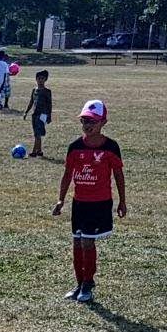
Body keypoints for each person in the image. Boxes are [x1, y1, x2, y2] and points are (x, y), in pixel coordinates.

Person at [52, 100, 127, 303]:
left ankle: (88, 283)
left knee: (87, 242)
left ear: (103, 122)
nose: (87, 124)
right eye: (84, 120)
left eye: (92, 120)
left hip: (99, 204)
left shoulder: (111, 147)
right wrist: (61, 200)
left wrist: (122, 201)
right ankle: (78, 284)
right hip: (80, 203)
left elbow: (119, 174)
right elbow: (67, 174)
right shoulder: (75, 147)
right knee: (77, 242)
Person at [22, 70, 52, 157]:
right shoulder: (34, 90)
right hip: (34, 114)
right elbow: (31, 102)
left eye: (42, 78)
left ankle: (34, 152)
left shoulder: (47, 91)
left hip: (42, 115)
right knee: (36, 133)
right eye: (38, 78)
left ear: (45, 79)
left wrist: (49, 116)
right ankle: (39, 151)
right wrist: (26, 112)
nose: (40, 80)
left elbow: (49, 104)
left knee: (38, 134)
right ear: (36, 79)